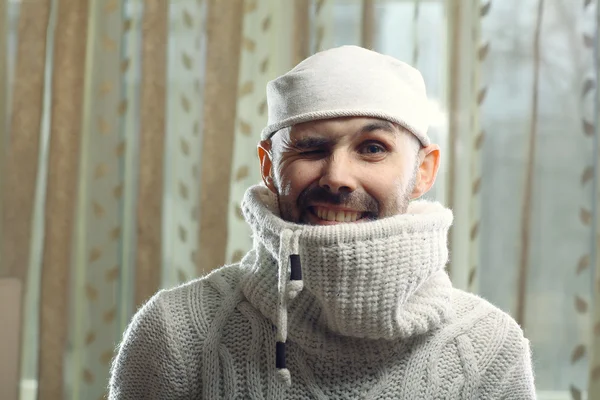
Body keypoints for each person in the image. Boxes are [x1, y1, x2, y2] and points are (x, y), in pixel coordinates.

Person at [108, 45, 536, 399]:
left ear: (423, 171)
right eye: (310, 148)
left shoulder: (489, 347)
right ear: (269, 166)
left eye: (372, 148)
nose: (337, 177)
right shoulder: (177, 331)